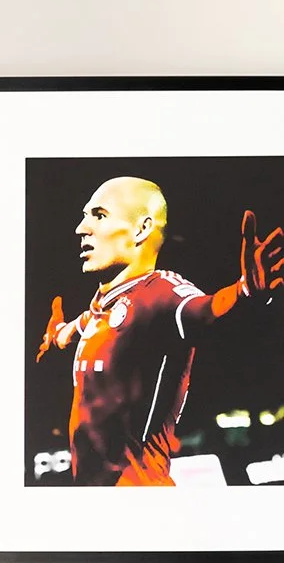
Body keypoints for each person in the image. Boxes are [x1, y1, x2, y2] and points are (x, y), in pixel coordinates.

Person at [36, 175, 284, 485]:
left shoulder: (161, 292)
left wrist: (245, 290)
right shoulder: (104, 305)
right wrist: (57, 335)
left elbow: (205, 310)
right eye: (84, 216)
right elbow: (78, 327)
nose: (81, 228)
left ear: (142, 229)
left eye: (99, 216)